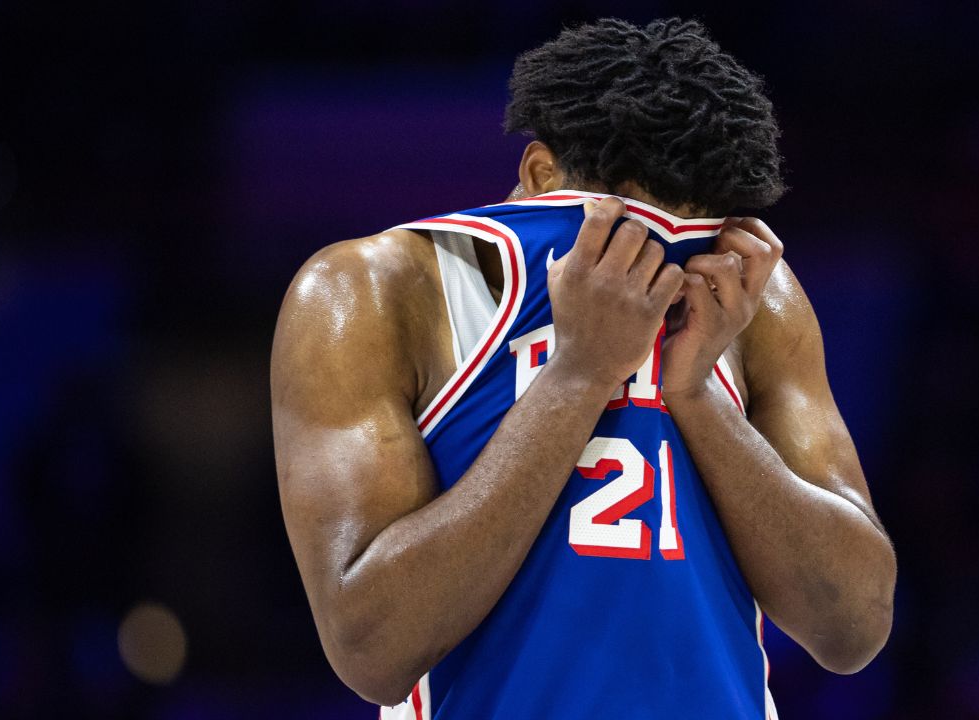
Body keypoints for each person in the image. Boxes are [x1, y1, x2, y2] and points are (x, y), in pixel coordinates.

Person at [271, 17, 895, 720]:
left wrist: (694, 394)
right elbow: (371, 649)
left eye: (683, 248)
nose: (657, 276)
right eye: (629, 237)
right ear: (541, 175)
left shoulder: (752, 299)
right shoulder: (373, 290)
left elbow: (854, 628)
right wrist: (577, 377)